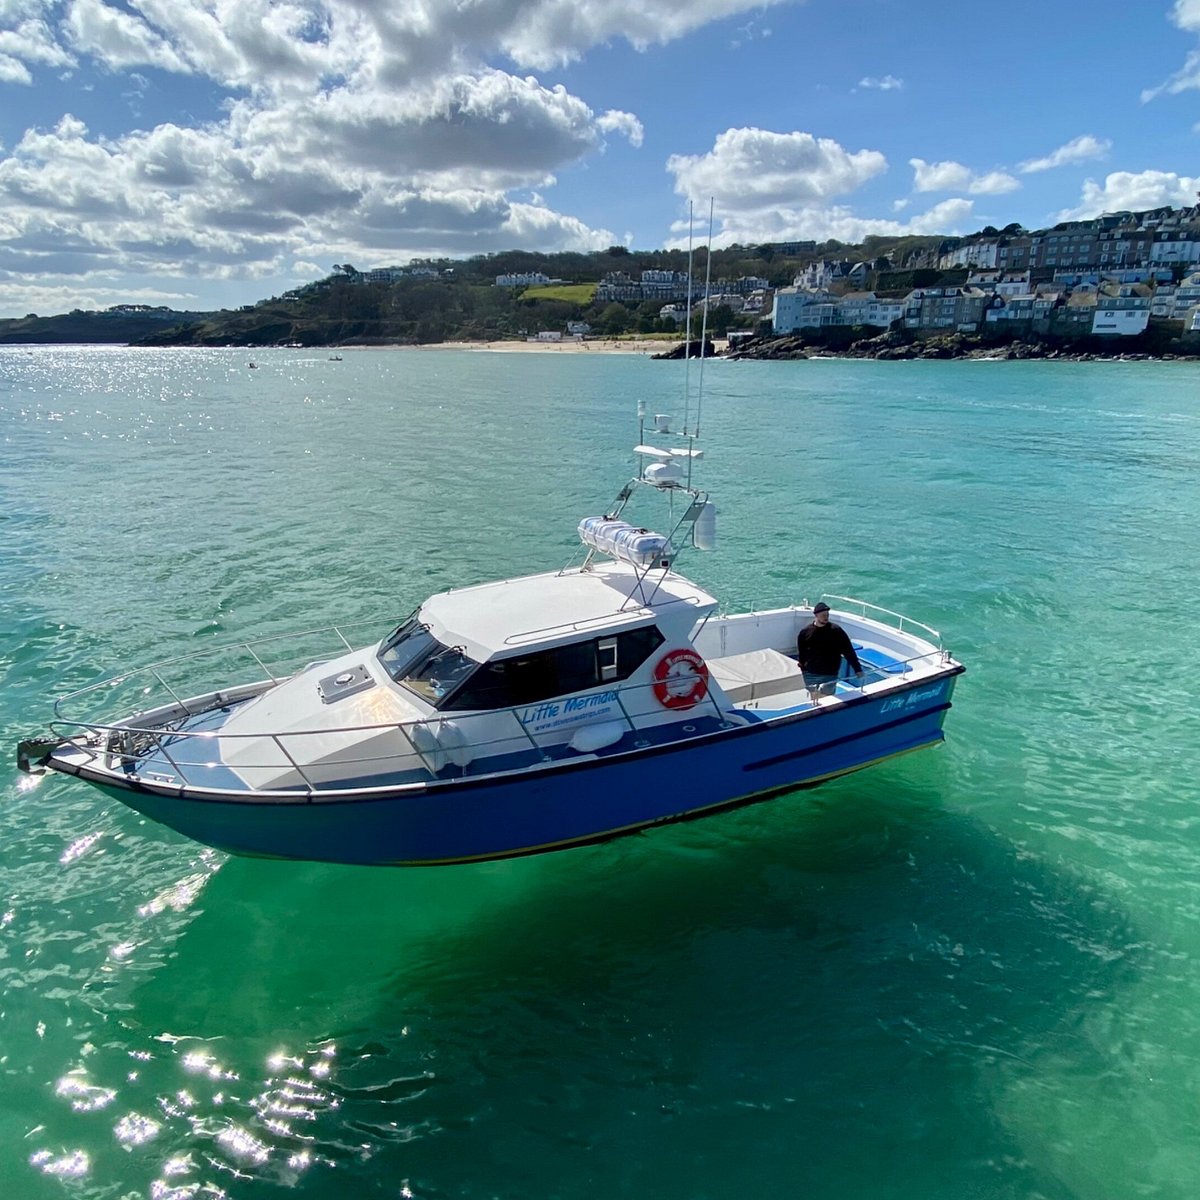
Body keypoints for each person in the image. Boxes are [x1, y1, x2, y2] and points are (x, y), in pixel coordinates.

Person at [797, 602, 864, 701]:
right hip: (810, 673)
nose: (826, 617)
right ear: (816, 615)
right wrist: (803, 668)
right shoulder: (805, 632)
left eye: (827, 615)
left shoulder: (836, 631)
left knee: (827, 699)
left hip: (830, 673)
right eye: (823, 615)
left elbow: (848, 650)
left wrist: (857, 669)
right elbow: (802, 652)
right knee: (814, 698)